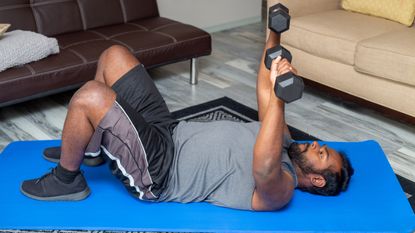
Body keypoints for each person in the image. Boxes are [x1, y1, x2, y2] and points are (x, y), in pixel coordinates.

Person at [20, 30, 354, 211]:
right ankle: (92, 149)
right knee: (114, 55)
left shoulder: (281, 190)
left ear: (317, 180)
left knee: (90, 96)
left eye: (321, 154)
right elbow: (267, 91)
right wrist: (274, 38)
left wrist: (281, 101)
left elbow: (262, 167)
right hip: (168, 131)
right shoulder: (283, 140)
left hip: (160, 170)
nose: (315, 144)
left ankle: (67, 180)